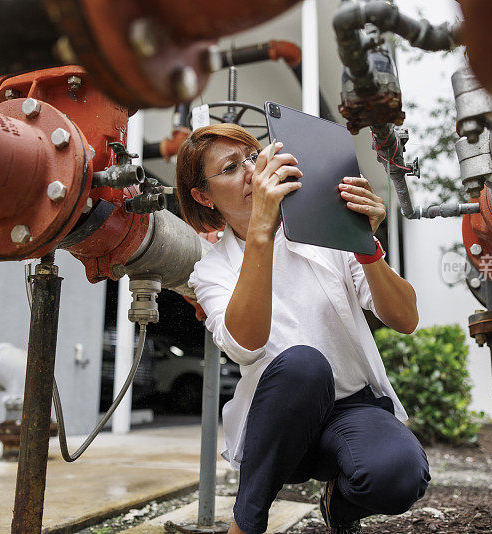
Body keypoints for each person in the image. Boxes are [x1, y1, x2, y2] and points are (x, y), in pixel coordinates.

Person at [176, 123, 430, 534]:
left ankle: (341, 504)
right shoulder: (212, 270)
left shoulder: (324, 230)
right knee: (304, 366)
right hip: (281, 425)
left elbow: (406, 319)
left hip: (351, 408)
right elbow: (245, 345)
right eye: (229, 168)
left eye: (252, 156)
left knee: (399, 475)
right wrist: (261, 228)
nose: (250, 171)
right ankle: (246, 524)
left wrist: (366, 244)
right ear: (203, 196)